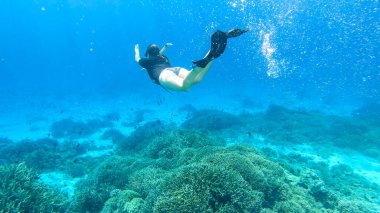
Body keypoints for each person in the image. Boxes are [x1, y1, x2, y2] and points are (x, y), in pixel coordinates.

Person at [134, 29, 249, 92]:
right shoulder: (162, 57)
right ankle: (211, 54)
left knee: (185, 87)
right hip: (175, 70)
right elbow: (158, 54)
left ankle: (199, 66)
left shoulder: (146, 62)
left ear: (148, 54)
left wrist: (136, 51)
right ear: (158, 52)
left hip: (164, 75)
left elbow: (137, 59)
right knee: (197, 79)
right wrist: (165, 47)